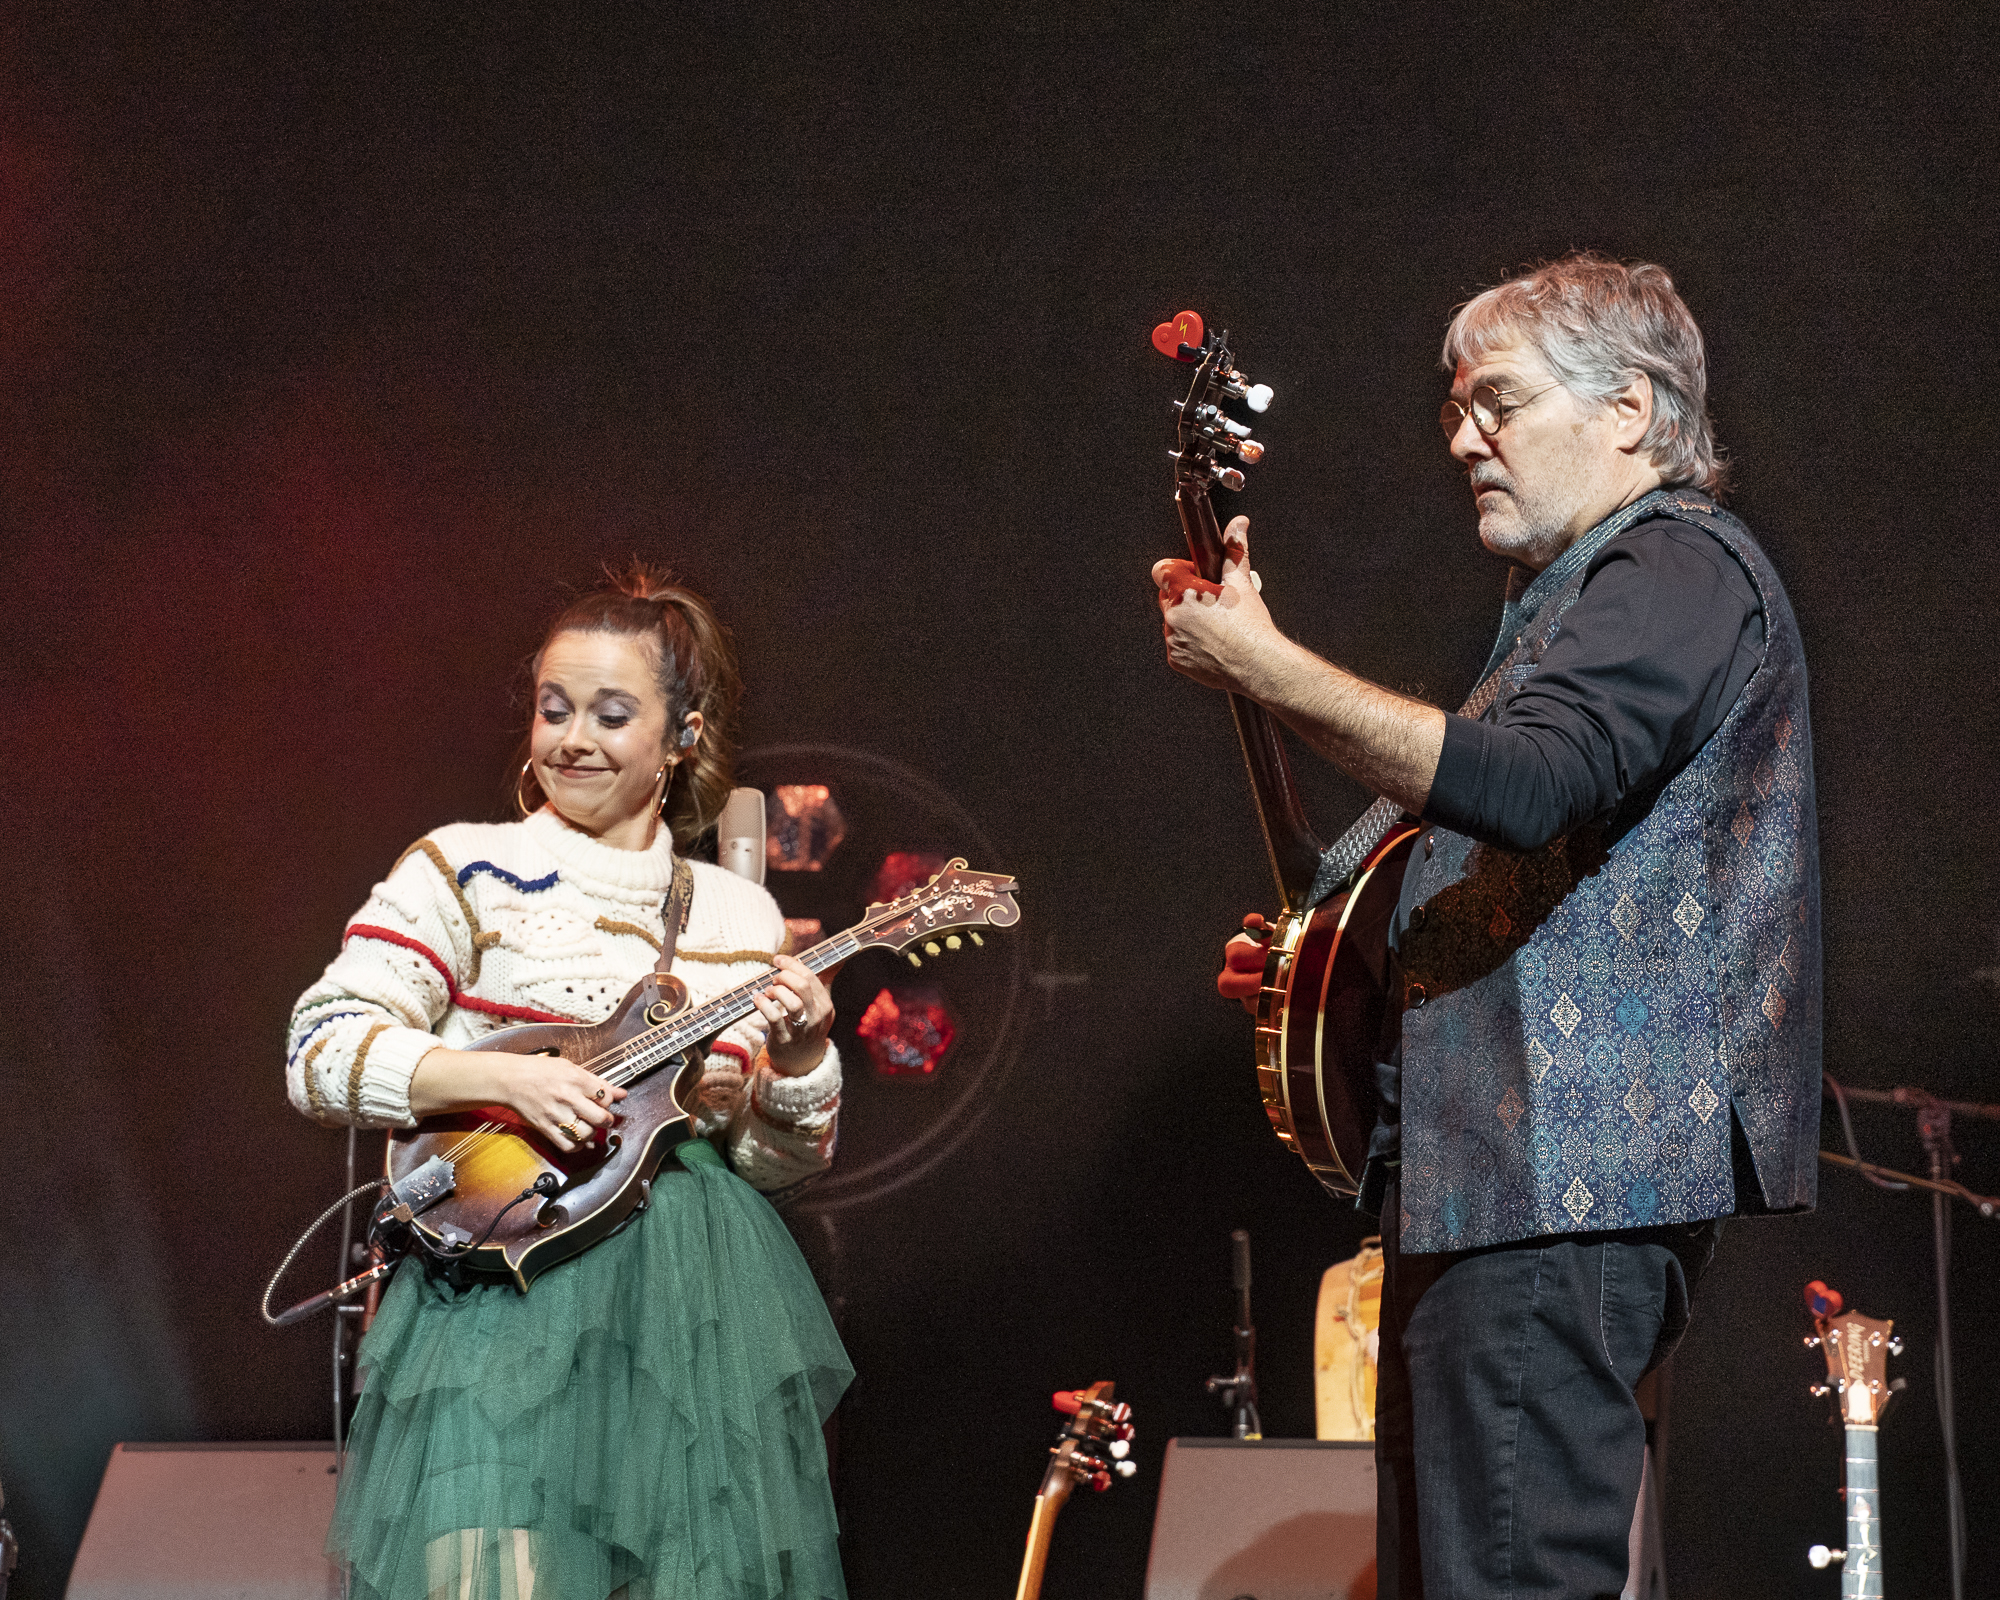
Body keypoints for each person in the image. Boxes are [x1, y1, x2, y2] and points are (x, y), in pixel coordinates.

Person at [1151, 253, 1820, 1598]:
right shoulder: (1569, 605)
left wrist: (1269, 669)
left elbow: (1523, 782)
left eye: (1498, 402)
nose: (1463, 438)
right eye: (1459, 408)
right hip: (1494, 1174)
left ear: (1629, 408)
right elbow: (1445, 845)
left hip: (1567, 1174)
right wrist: (1327, 967)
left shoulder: (1678, 567)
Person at [287, 563, 850, 1600]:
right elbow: (320, 1048)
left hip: (685, 1323)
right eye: (553, 709)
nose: (570, 738)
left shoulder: (738, 915)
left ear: (682, 735)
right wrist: (499, 1084)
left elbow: (771, 1165)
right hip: (504, 1306)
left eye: (609, 712)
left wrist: (806, 1054)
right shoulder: (466, 866)